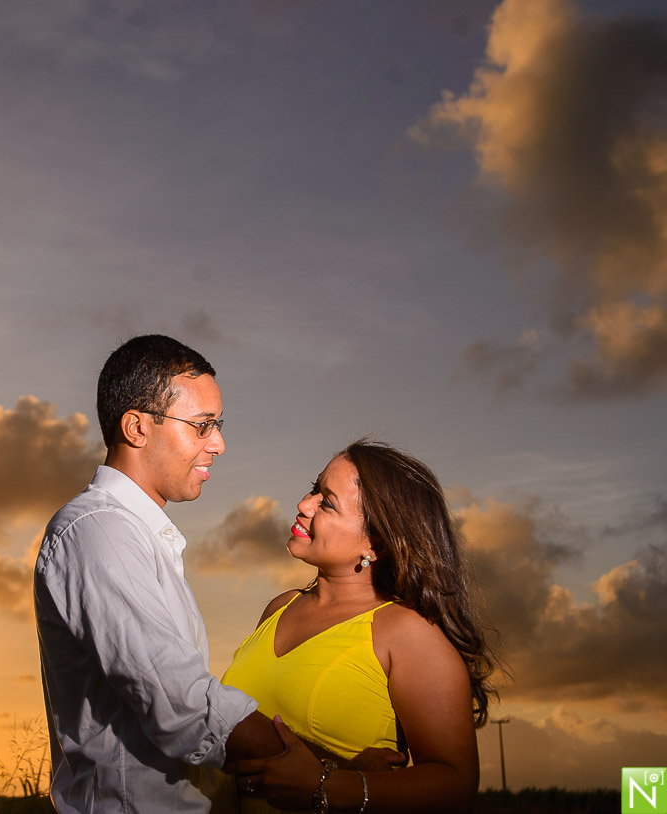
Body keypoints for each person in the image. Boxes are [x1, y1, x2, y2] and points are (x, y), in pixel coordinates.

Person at [34, 334, 283, 814]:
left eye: (219, 424)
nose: (219, 444)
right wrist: (323, 771)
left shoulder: (138, 536)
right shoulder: (100, 531)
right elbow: (183, 703)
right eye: (202, 425)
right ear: (137, 427)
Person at [223, 439, 499, 814]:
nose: (304, 505)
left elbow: (455, 785)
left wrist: (332, 786)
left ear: (376, 544)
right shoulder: (279, 607)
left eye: (327, 502)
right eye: (313, 488)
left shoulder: (407, 633)